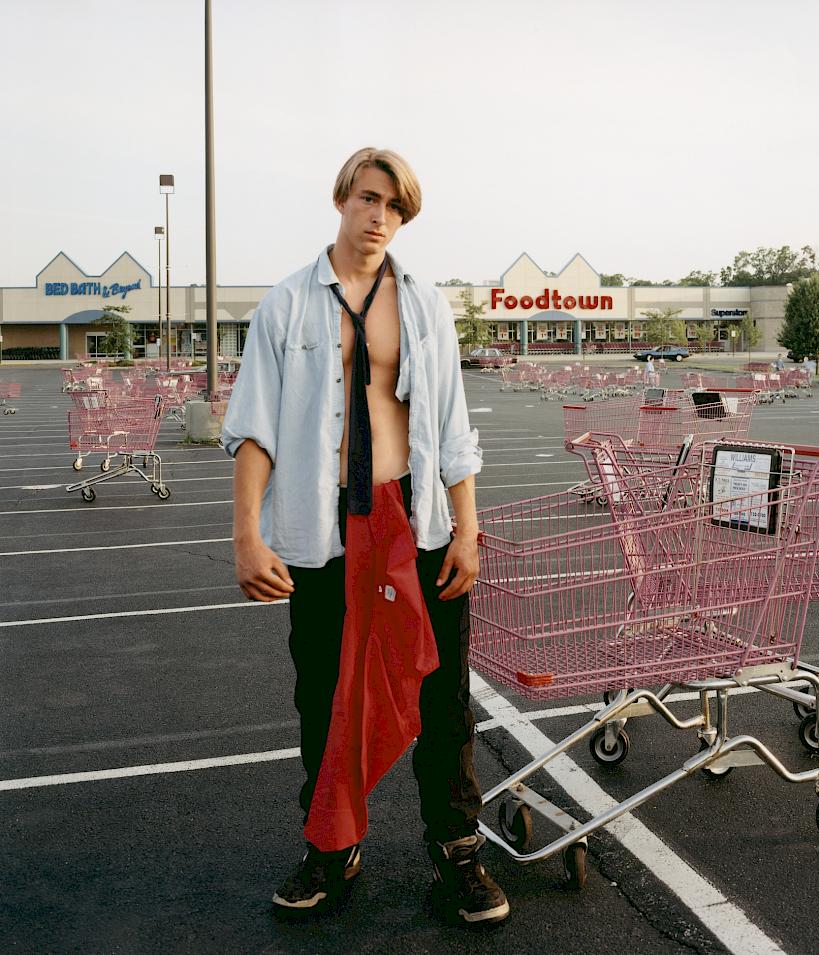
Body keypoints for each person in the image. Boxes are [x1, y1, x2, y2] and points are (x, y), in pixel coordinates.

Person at [221, 147, 509, 925]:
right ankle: (330, 849)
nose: (381, 217)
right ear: (342, 198)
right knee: (323, 696)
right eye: (371, 199)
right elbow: (253, 429)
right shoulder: (285, 304)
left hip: (413, 522)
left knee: (442, 700)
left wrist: (467, 528)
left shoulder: (423, 305)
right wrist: (248, 534)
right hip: (322, 532)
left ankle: (458, 852)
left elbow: (451, 424)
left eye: (396, 208)